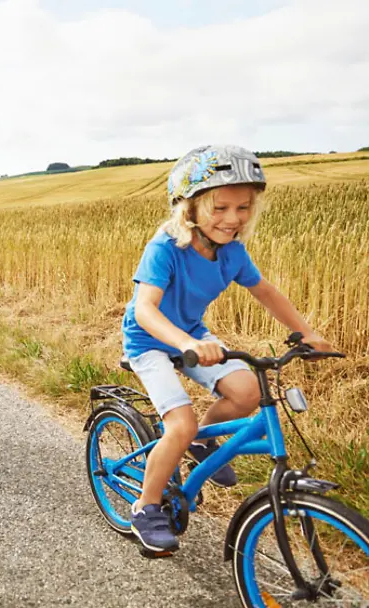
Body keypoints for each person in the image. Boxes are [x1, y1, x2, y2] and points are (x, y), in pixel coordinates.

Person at [120, 144, 332, 553]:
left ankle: (200, 442)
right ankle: (145, 507)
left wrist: (307, 333)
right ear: (189, 208)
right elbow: (145, 309)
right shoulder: (165, 247)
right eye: (220, 208)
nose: (233, 219)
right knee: (178, 424)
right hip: (149, 341)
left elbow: (265, 291)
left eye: (244, 208)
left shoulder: (231, 252)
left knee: (249, 391)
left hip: (193, 334)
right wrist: (187, 343)